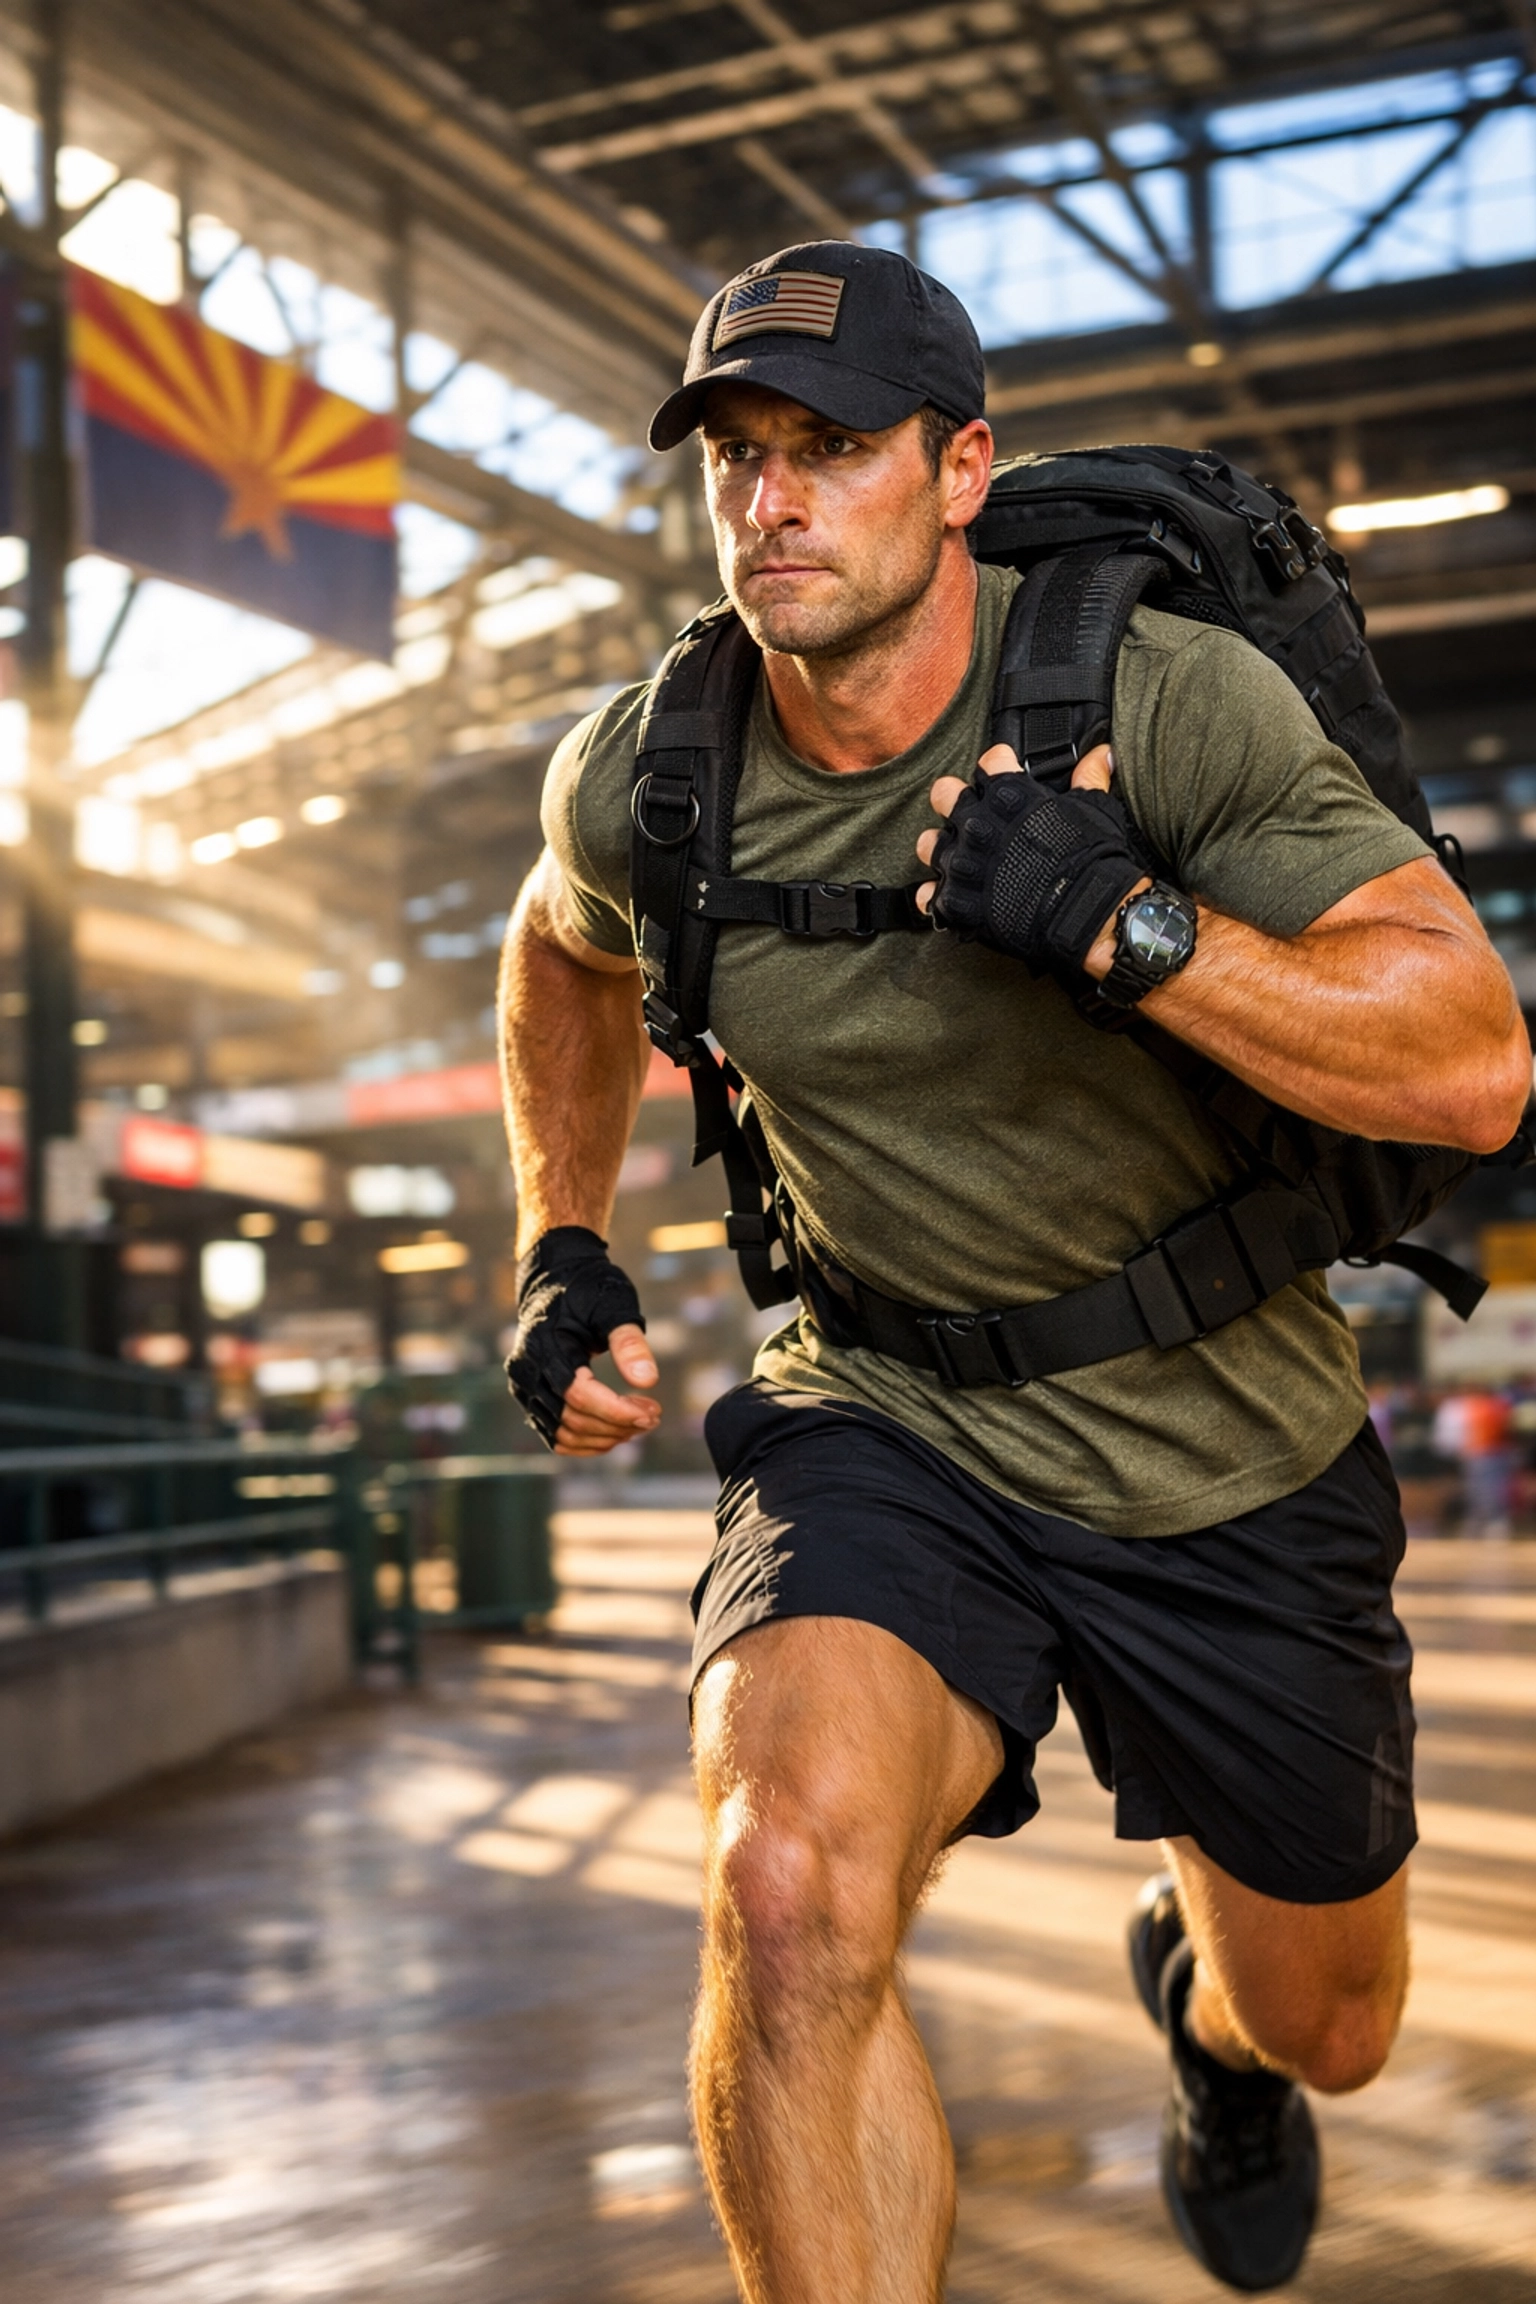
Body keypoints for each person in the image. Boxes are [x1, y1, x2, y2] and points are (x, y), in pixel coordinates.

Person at [499, 240, 1530, 2301]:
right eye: (737, 456)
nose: (772, 501)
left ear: (960, 471)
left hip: (1222, 1440)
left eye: (831, 449)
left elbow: (1473, 1058)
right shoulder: (656, 769)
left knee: (1326, 2024)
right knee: (783, 1894)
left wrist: (1126, 927)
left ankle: (1202, 2017)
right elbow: (557, 949)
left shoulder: (1159, 699)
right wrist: (560, 1236)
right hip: (885, 1414)